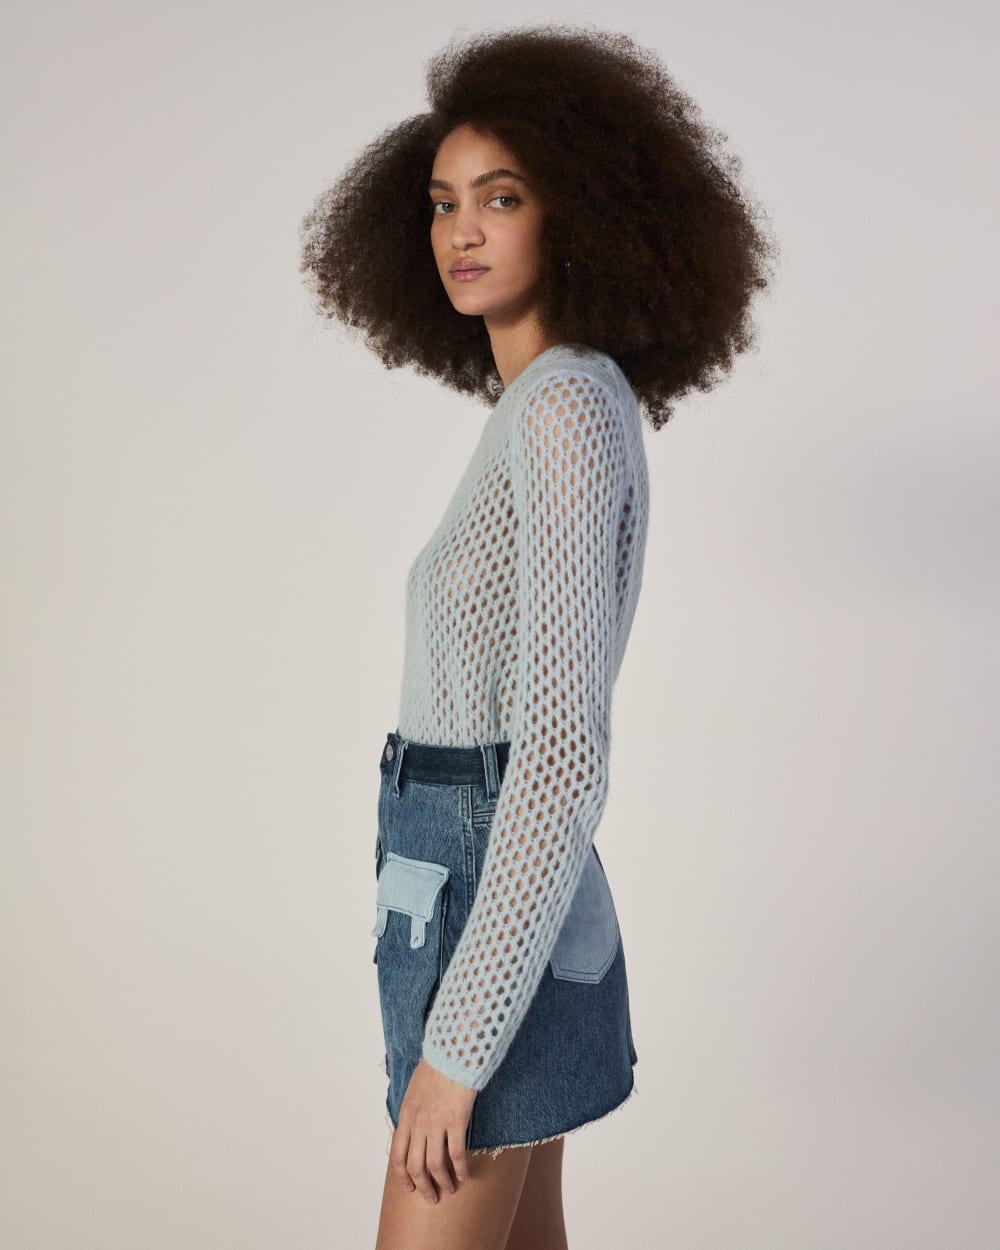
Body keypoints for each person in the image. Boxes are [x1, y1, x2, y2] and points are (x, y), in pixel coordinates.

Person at [299, 23, 778, 1249]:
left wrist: (456, 1050)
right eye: (442, 201)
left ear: (577, 215)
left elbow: (560, 755)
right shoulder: (550, 403)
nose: (461, 230)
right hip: (493, 892)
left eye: (500, 197)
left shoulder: (563, 408)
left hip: (487, 905)